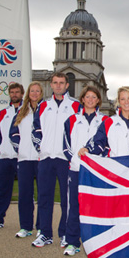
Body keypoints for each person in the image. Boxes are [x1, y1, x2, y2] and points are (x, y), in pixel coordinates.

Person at [80, 86, 129, 258]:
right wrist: (87, 149)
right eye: (122, 99)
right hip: (115, 174)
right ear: (118, 102)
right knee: (115, 214)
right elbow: (98, 142)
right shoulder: (109, 122)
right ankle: (114, 254)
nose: (126, 102)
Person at [31, 72, 80, 248]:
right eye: (55, 83)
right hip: (45, 158)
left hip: (65, 159)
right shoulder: (44, 105)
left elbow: (78, 132)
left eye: (61, 83)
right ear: (50, 85)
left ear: (67, 85)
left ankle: (65, 233)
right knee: (44, 197)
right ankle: (45, 234)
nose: (58, 86)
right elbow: (36, 130)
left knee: (67, 199)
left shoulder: (75, 105)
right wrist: (41, 148)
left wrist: (71, 153)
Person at [62, 85, 108, 256]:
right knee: (74, 206)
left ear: (98, 100)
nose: (90, 100)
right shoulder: (71, 120)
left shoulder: (104, 120)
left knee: (97, 208)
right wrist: (77, 161)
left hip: (96, 171)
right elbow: (65, 146)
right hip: (76, 169)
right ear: (82, 99)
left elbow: (105, 145)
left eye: (93, 97)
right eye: (87, 97)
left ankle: (98, 243)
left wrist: (95, 162)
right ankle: (72, 241)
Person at [0, 82, 24, 230]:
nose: (14, 94)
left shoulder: (27, 112)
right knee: (2, 189)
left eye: (17, 92)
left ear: (22, 94)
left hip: (22, 157)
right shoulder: (2, 113)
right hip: (4, 158)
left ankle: (25, 223)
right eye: (12, 92)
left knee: (25, 191)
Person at [9, 81, 43, 238]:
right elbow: (13, 133)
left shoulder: (46, 110)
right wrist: (20, 149)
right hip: (24, 159)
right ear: (28, 93)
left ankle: (42, 227)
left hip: (41, 158)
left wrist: (42, 149)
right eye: (32, 91)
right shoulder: (22, 111)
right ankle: (26, 226)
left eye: (37, 91)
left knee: (43, 194)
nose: (35, 94)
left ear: (41, 93)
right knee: (24, 194)